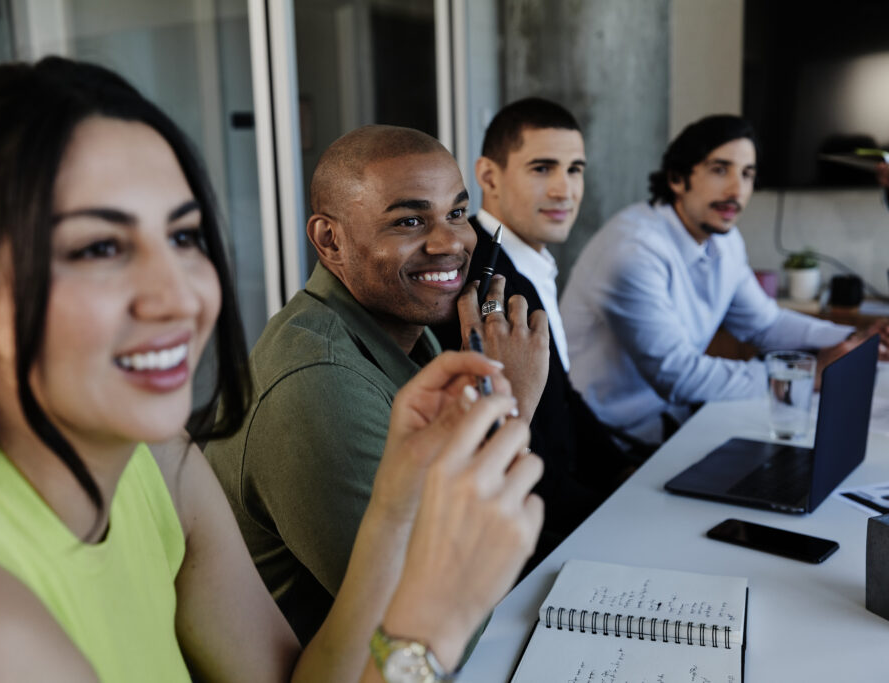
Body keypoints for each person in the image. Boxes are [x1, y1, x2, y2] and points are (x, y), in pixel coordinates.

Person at [0, 59, 544, 682]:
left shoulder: (157, 460)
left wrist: (394, 511)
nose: (179, 295)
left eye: (184, 237)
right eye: (100, 247)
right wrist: (426, 633)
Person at [206, 124, 551, 644]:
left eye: (457, 213)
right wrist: (509, 408)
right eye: (410, 221)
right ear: (330, 240)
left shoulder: (417, 334)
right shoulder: (319, 387)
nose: (450, 242)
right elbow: (438, 622)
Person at [560, 114, 886, 446]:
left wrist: (856, 338)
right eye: (720, 170)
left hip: (673, 422)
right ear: (676, 178)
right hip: (607, 441)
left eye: (747, 175)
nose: (737, 190)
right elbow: (679, 377)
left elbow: (764, 324)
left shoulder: (724, 239)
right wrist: (807, 375)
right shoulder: (633, 251)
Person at [433, 97, 630, 559]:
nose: (566, 190)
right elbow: (518, 439)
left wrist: (628, 475)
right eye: (543, 169)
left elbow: (562, 397)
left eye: (575, 169)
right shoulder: (486, 280)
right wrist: (609, 516)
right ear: (488, 176)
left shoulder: (529, 263)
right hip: (534, 537)